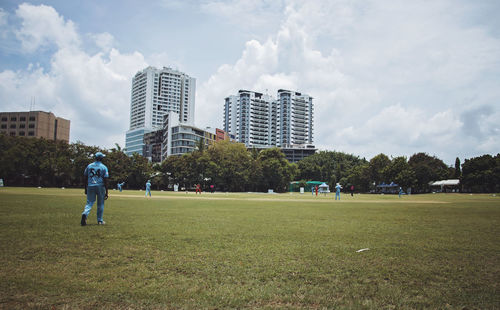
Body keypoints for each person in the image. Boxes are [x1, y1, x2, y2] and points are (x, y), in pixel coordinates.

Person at [81, 152, 109, 226]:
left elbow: (85, 177)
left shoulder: (89, 166)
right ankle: (100, 220)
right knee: (100, 204)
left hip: (90, 185)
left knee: (89, 202)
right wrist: (107, 192)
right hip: (100, 186)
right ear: (101, 158)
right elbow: (106, 179)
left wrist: (85, 188)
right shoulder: (104, 167)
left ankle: (85, 214)